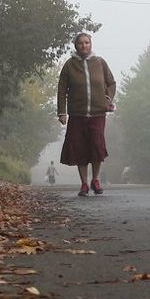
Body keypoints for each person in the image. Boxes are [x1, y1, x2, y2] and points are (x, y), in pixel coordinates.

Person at [56, 31, 115, 196]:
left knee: (97, 146)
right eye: (81, 43)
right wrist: (62, 112)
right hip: (77, 114)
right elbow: (62, 90)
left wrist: (107, 98)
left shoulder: (100, 63)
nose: (84, 45)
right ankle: (83, 184)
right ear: (76, 46)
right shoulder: (69, 65)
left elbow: (111, 83)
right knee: (80, 149)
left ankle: (95, 180)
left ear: (91, 44)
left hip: (97, 114)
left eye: (87, 42)